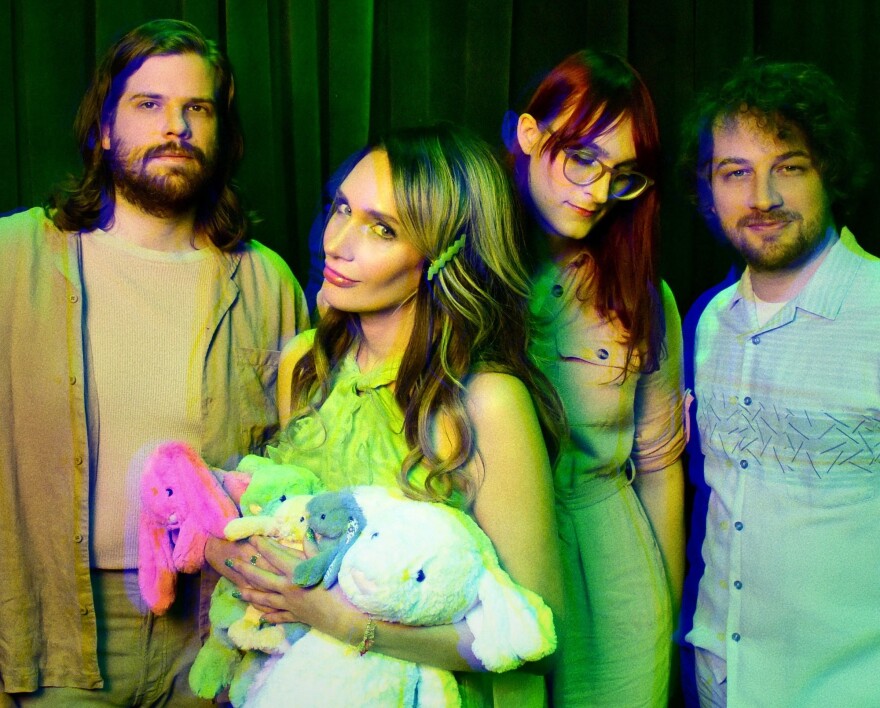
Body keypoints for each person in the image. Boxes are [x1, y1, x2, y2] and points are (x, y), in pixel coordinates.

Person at [0, 19, 309, 705]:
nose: (177, 127)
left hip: (216, 624)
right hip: (58, 621)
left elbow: (299, 461)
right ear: (104, 129)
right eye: (149, 105)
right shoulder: (15, 257)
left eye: (197, 109)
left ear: (221, 134)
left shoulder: (265, 281)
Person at [207, 122, 566, 705]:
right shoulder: (307, 363)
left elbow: (540, 638)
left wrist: (346, 623)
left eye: (381, 229)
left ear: (443, 256)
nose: (336, 242)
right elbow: (292, 520)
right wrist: (233, 553)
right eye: (341, 208)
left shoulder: (485, 401)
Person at [680, 58, 880, 707]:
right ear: (708, 190)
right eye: (735, 172)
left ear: (829, 173)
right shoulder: (710, 322)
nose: (761, 197)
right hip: (722, 684)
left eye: (787, 167)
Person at [507, 49, 686, 706]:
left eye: (622, 174)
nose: (597, 191)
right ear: (530, 135)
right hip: (489, 563)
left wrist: (658, 609)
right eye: (582, 157)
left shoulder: (643, 298)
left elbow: (660, 469)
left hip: (612, 570)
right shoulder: (459, 270)